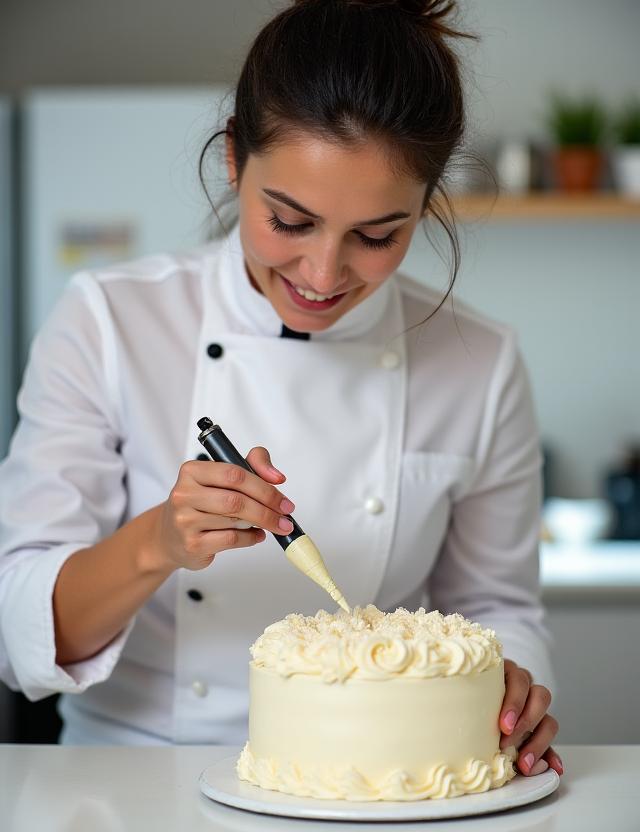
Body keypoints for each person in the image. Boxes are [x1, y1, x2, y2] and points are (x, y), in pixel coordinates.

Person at [0, 0, 562, 778]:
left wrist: (512, 686)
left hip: (372, 784)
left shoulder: (480, 361)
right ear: (235, 157)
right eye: (290, 222)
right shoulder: (110, 320)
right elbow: (19, 635)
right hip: (132, 780)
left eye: (377, 236)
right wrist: (159, 541)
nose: (323, 275)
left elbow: (499, 608)